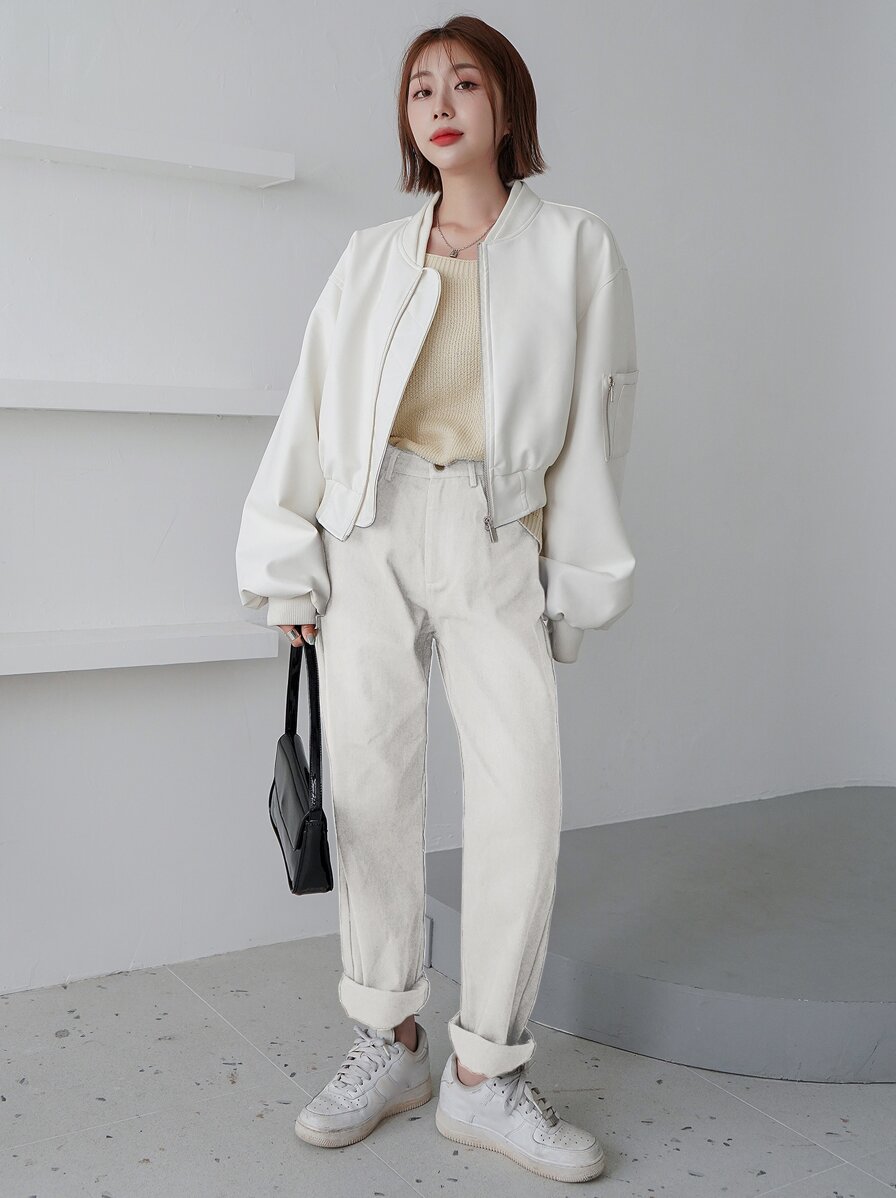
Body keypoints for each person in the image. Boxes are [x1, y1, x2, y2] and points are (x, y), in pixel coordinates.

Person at [235, 14, 639, 1185]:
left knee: (522, 796)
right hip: (367, 531)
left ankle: (486, 1072)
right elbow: (312, 405)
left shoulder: (574, 247)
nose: (441, 104)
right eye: (421, 89)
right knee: (368, 786)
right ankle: (391, 1040)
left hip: (496, 531)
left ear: (506, 104)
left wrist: (576, 578)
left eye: (464, 83)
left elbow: (599, 420)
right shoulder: (370, 254)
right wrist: (286, 560)